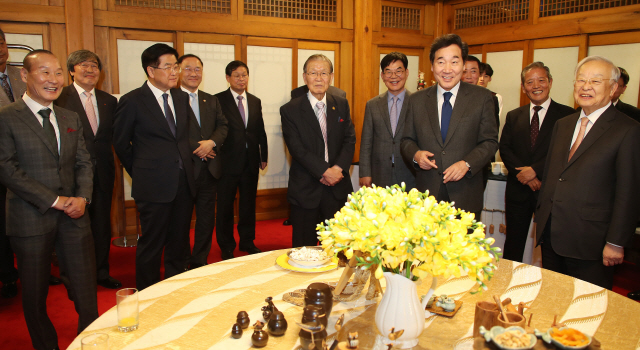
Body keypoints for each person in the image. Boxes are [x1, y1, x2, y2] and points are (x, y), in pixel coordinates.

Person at [0, 50, 97, 350]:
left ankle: (90, 340)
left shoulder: (69, 116)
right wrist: (55, 200)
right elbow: (7, 168)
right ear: (24, 76)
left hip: (75, 216)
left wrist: (82, 197)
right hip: (30, 216)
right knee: (35, 292)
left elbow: (84, 162)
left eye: (57, 73)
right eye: (44, 72)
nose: (53, 80)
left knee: (85, 288)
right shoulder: (6, 118)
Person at [535, 56, 640, 289]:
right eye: (581, 80)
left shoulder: (627, 130)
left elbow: (629, 192)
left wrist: (616, 242)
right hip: (552, 235)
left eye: (595, 81)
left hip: (592, 242)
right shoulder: (563, 125)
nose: (586, 86)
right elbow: (554, 175)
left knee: (587, 310)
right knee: (551, 303)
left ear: (613, 88)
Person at [113, 43, 196, 290]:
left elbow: (184, 137)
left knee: (179, 241)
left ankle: (172, 288)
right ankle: (148, 292)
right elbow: (121, 143)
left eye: (176, 66)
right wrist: (141, 171)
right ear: (151, 70)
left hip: (183, 182)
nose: (174, 72)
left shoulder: (181, 97)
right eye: (168, 66)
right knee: (151, 243)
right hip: (152, 185)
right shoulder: (133, 101)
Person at [401, 34, 498, 219]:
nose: (447, 69)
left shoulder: (482, 98)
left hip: (466, 196)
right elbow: (406, 140)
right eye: (441, 62)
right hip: (427, 198)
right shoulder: (416, 100)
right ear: (432, 66)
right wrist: (416, 154)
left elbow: (490, 141)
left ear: (463, 65)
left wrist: (467, 164)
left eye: (454, 62)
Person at [54, 50, 121, 289]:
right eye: (83, 65)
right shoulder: (60, 98)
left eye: (94, 65)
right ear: (71, 70)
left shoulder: (108, 100)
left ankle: (101, 272)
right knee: (71, 228)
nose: (90, 70)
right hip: (70, 174)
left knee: (102, 225)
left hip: (102, 171)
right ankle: (72, 276)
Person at [499, 62, 575, 262]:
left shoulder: (567, 115)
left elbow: (565, 151)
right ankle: (508, 282)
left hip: (550, 190)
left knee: (550, 243)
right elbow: (505, 149)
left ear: (550, 82)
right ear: (523, 88)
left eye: (541, 80)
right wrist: (524, 175)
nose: (536, 85)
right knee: (514, 242)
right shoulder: (514, 115)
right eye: (530, 82)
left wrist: (535, 171)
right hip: (518, 189)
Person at [281, 54, 355, 247]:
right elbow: (297, 148)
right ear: (305, 77)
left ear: (331, 77)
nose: (319, 78)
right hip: (306, 188)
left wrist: (338, 169)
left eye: (323, 73)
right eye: (313, 73)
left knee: (339, 247)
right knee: (304, 248)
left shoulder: (341, 104)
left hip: (337, 188)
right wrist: (325, 171)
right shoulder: (290, 110)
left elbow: (349, 139)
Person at [178, 54, 228, 269]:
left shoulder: (211, 99)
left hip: (210, 170)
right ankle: (180, 262)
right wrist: (199, 148)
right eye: (188, 69)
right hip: (183, 170)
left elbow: (223, 126)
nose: (193, 73)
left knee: (206, 219)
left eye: (197, 69)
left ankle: (200, 260)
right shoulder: (171, 98)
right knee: (180, 221)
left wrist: (212, 143)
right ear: (178, 71)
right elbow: (172, 133)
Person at [214, 61, 267, 260]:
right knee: (225, 206)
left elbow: (260, 130)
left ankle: (247, 241)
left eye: (244, 75)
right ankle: (226, 246)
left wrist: (264, 155)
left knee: (248, 205)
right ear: (228, 78)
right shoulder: (218, 100)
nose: (241, 79)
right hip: (226, 163)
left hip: (250, 161)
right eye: (236, 75)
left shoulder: (255, 101)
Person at [359, 51, 415, 190]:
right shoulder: (373, 105)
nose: (394, 76)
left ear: (406, 73)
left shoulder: (417, 102)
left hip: (410, 173)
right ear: (382, 76)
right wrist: (365, 172)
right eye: (388, 72)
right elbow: (366, 141)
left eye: (398, 71)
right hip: (380, 173)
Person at [0, 28, 26, 299]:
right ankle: (7, 274)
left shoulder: (21, 78)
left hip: (27, 164)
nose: (0, 49)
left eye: (2, 42)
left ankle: (34, 269)